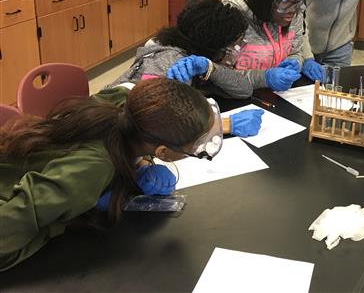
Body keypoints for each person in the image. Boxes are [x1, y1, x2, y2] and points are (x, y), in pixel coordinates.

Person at [0, 78, 222, 271]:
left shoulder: (129, 104)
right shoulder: (92, 168)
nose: (197, 148)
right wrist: (64, 220)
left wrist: (141, 162)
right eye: (195, 146)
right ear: (163, 151)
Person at [108, 0, 253, 99]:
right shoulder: (168, 62)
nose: (236, 50)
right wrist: (224, 125)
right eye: (233, 45)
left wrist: (211, 68)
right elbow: (154, 121)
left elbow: (244, 90)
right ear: (215, 46)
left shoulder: (198, 60)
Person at [222, 0, 316, 89]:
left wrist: (294, 61)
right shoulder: (232, 17)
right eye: (287, 2)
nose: (294, 9)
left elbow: (296, 51)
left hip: (278, 96)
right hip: (238, 98)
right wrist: (264, 78)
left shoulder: (294, 11)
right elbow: (221, 75)